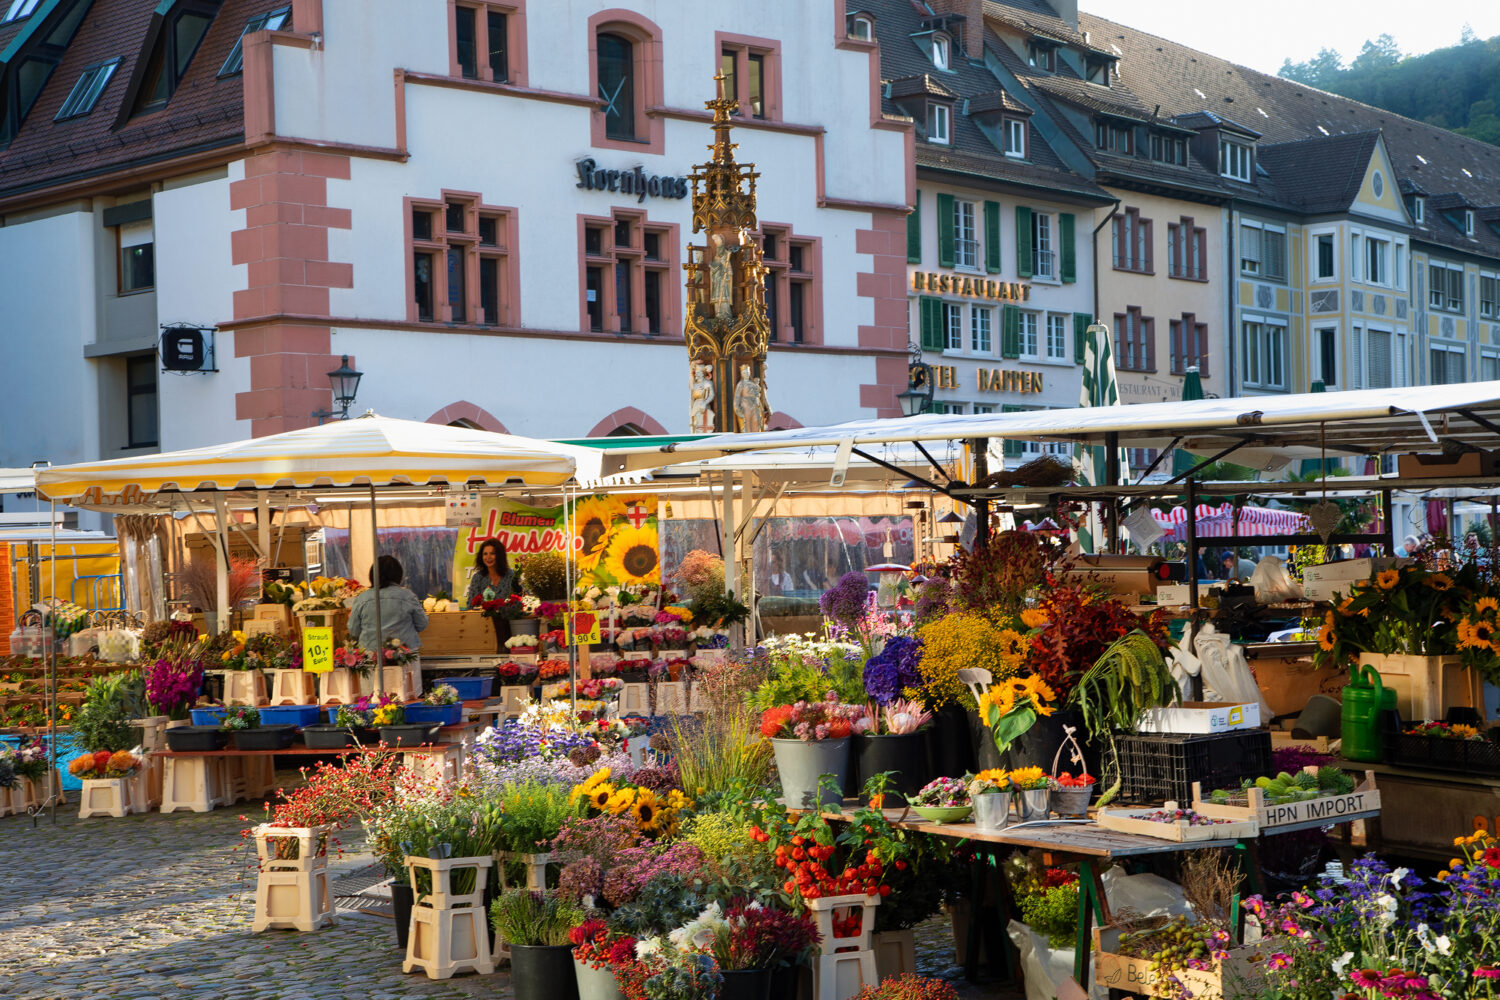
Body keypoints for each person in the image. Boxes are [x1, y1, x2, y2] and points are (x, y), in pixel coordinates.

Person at [347, 555, 428, 653]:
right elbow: (422, 624)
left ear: (372, 575)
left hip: (371, 654)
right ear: (398, 575)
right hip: (404, 654)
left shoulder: (362, 598)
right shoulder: (407, 596)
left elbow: (353, 630)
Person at [465, 538, 515, 608]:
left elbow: (518, 601)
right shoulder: (478, 577)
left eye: (492, 553)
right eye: (485, 554)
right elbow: (470, 605)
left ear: (500, 555)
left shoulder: (511, 575)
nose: (488, 557)